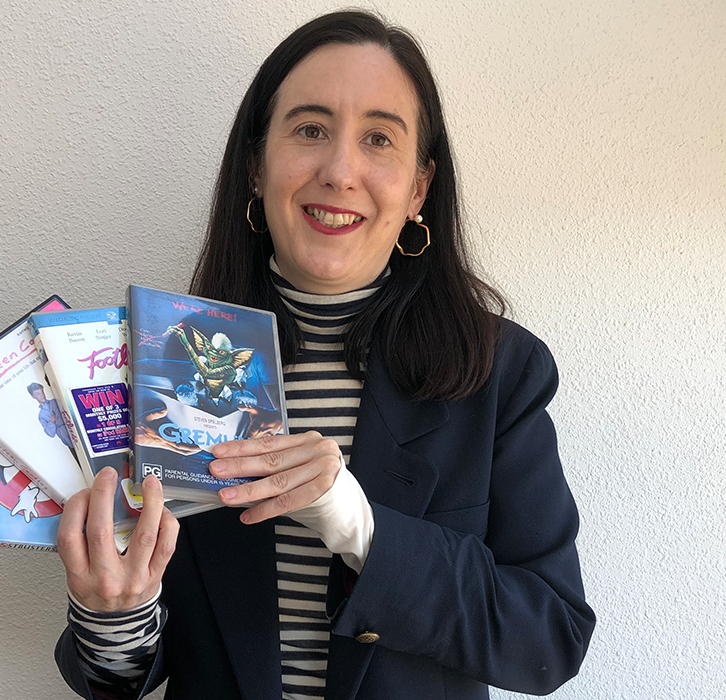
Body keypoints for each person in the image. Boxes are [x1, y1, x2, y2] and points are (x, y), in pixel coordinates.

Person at [54, 10, 595, 700]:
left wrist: (357, 522)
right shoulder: (154, 361)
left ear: (419, 188)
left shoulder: (499, 370)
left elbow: (548, 638)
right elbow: (125, 674)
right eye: (310, 130)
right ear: (256, 164)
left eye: (378, 139)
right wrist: (113, 613)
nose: (340, 171)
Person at [27, 381, 74, 449]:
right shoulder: (41, 415)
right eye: (38, 394)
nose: (42, 395)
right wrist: (51, 422)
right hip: (66, 438)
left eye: (42, 392)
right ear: (33, 397)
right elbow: (50, 434)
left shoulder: (55, 401)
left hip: (73, 428)